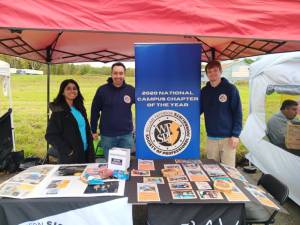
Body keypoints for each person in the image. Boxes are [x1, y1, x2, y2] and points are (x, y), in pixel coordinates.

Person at [201, 60, 242, 167]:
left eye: (215, 70)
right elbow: (198, 110)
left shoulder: (230, 89)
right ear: (207, 74)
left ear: (220, 71)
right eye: (209, 71)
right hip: (211, 138)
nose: (212, 73)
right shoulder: (204, 91)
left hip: (228, 138)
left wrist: (235, 135)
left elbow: (238, 113)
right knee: (211, 169)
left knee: (229, 171)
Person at [90, 62, 135, 160]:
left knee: (125, 165)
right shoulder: (102, 90)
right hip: (107, 136)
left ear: (124, 74)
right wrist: (93, 130)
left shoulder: (131, 90)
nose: (118, 76)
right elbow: (94, 110)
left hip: (126, 135)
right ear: (111, 74)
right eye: (115, 73)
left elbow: (143, 105)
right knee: (110, 165)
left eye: (120, 73)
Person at [45, 79, 95, 164]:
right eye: (68, 88)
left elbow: (85, 129)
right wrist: (68, 151)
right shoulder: (58, 111)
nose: (72, 91)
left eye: (74, 88)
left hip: (86, 153)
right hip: (70, 157)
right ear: (62, 92)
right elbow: (50, 135)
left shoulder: (80, 108)